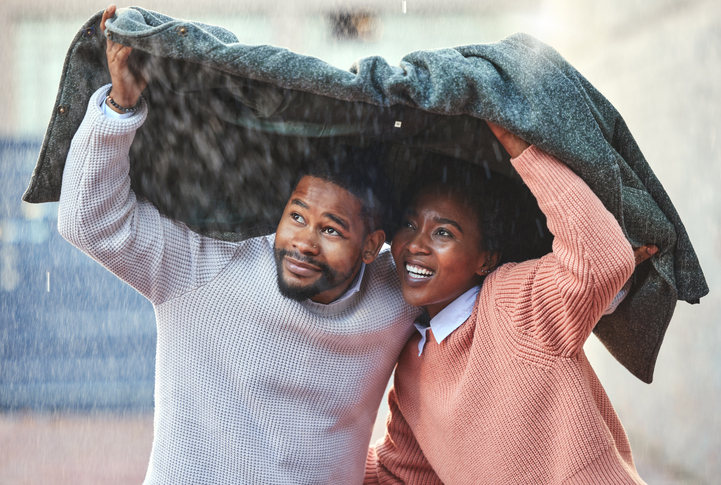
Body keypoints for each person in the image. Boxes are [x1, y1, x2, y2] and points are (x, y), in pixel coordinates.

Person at [57, 6, 420, 484]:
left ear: (373, 245)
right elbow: (89, 222)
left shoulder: (398, 295)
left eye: (331, 230)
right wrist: (121, 108)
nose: (304, 243)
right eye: (296, 216)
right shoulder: (209, 267)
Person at [364, 122, 655, 484]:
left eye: (443, 232)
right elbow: (398, 474)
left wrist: (524, 151)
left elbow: (600, 260)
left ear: (485, 259)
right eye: (409, 224)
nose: (415, 245)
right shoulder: (411, 363)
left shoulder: (508, 301)